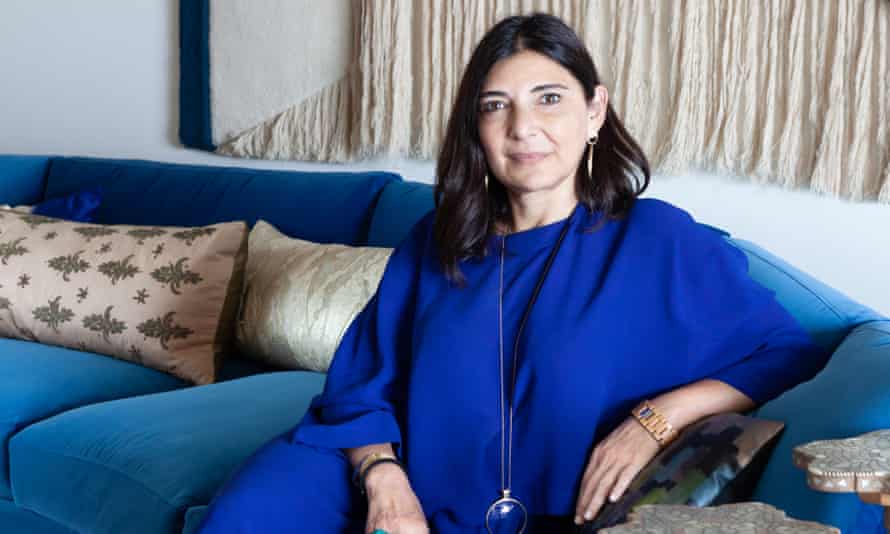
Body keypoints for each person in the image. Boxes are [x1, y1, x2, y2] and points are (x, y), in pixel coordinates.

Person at [197, 13, 828, 534]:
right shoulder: (437, 241)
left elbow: (783, 352)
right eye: (495, 105)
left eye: (548, 99)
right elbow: (359, 388)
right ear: (477, 128)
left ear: (594, 111)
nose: (522, 127)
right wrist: (383, 480)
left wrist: (654, 419)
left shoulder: (655, 240)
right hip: (407, 489)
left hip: (563, 512)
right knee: (243, 518)